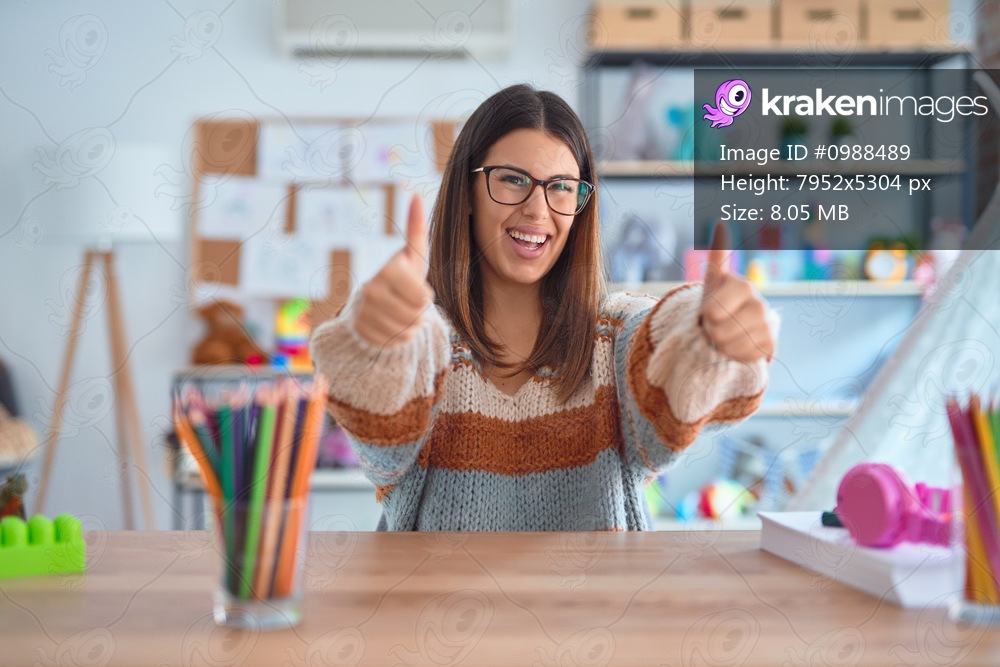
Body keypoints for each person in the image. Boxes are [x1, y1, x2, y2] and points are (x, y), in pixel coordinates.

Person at [310, 83, 777, 531]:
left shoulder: (612, 336)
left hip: (595, 613)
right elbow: (378, 424)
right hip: (435, 612)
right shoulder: (424, 341)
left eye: (561, 187)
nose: (538, 210)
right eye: (513, 180)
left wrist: (709, 334)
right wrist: (375, 342)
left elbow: (665, 350)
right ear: (467, 193)